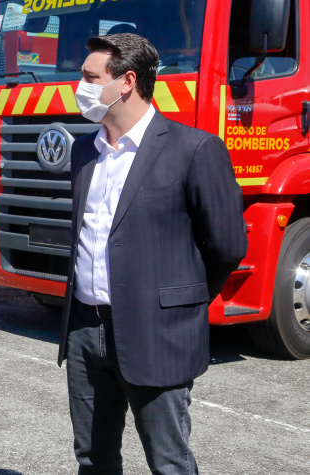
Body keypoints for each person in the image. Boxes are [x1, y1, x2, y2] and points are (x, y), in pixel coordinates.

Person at [57, 33, 247, 474]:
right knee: (92, 457)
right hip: (86, 328)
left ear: (126, 81)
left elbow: (227, 246)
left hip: (156, 332)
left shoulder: (194, 149)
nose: (78, 85)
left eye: (89, 77)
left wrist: (179, 303)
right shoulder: (85, 149)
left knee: (168, 461)